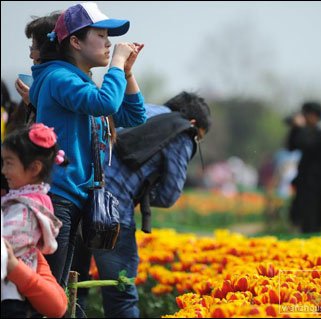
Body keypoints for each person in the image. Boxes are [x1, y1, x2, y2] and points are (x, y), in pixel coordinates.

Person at [29, 2, 146, 288]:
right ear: (75, 42)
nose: (110, 44)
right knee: (51, 289)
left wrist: (126, 72)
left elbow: (133, 115)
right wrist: (116, 64)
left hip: (73, 198)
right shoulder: (60, 79)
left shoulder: (80, 83)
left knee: (60, 288)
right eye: (102, 36)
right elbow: (105, 103)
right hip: (58, 197)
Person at [71, 92, 211, 318]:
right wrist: (141, 191)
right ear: (193, 124)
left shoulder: (141, 109)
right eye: (199, 137)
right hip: (109, 212)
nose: (195, 140)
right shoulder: (182, 130)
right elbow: (169, 194)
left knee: (73, 288)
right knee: (120, 292)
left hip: (74, 196)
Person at [1, 123, 65, 317]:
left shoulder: (28, 208)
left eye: (8, 163)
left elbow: (9, 243)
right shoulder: (25, 201)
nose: (3, 170)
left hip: (12, 297)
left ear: (34, 168)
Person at [287, 101, 321, 233]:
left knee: (313, 221)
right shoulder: (310, 132)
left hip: (317, 184)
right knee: (304, 219)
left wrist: (301, 128)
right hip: (306, 182)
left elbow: (308, 144)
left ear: (313, 116)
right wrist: (295, 129)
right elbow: (292, 146)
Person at [14, 11, 61, 125]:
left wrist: (35, 102)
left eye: (33, 47)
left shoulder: (60, 82)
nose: (31, 55)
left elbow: (53, 129)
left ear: (48, 50)